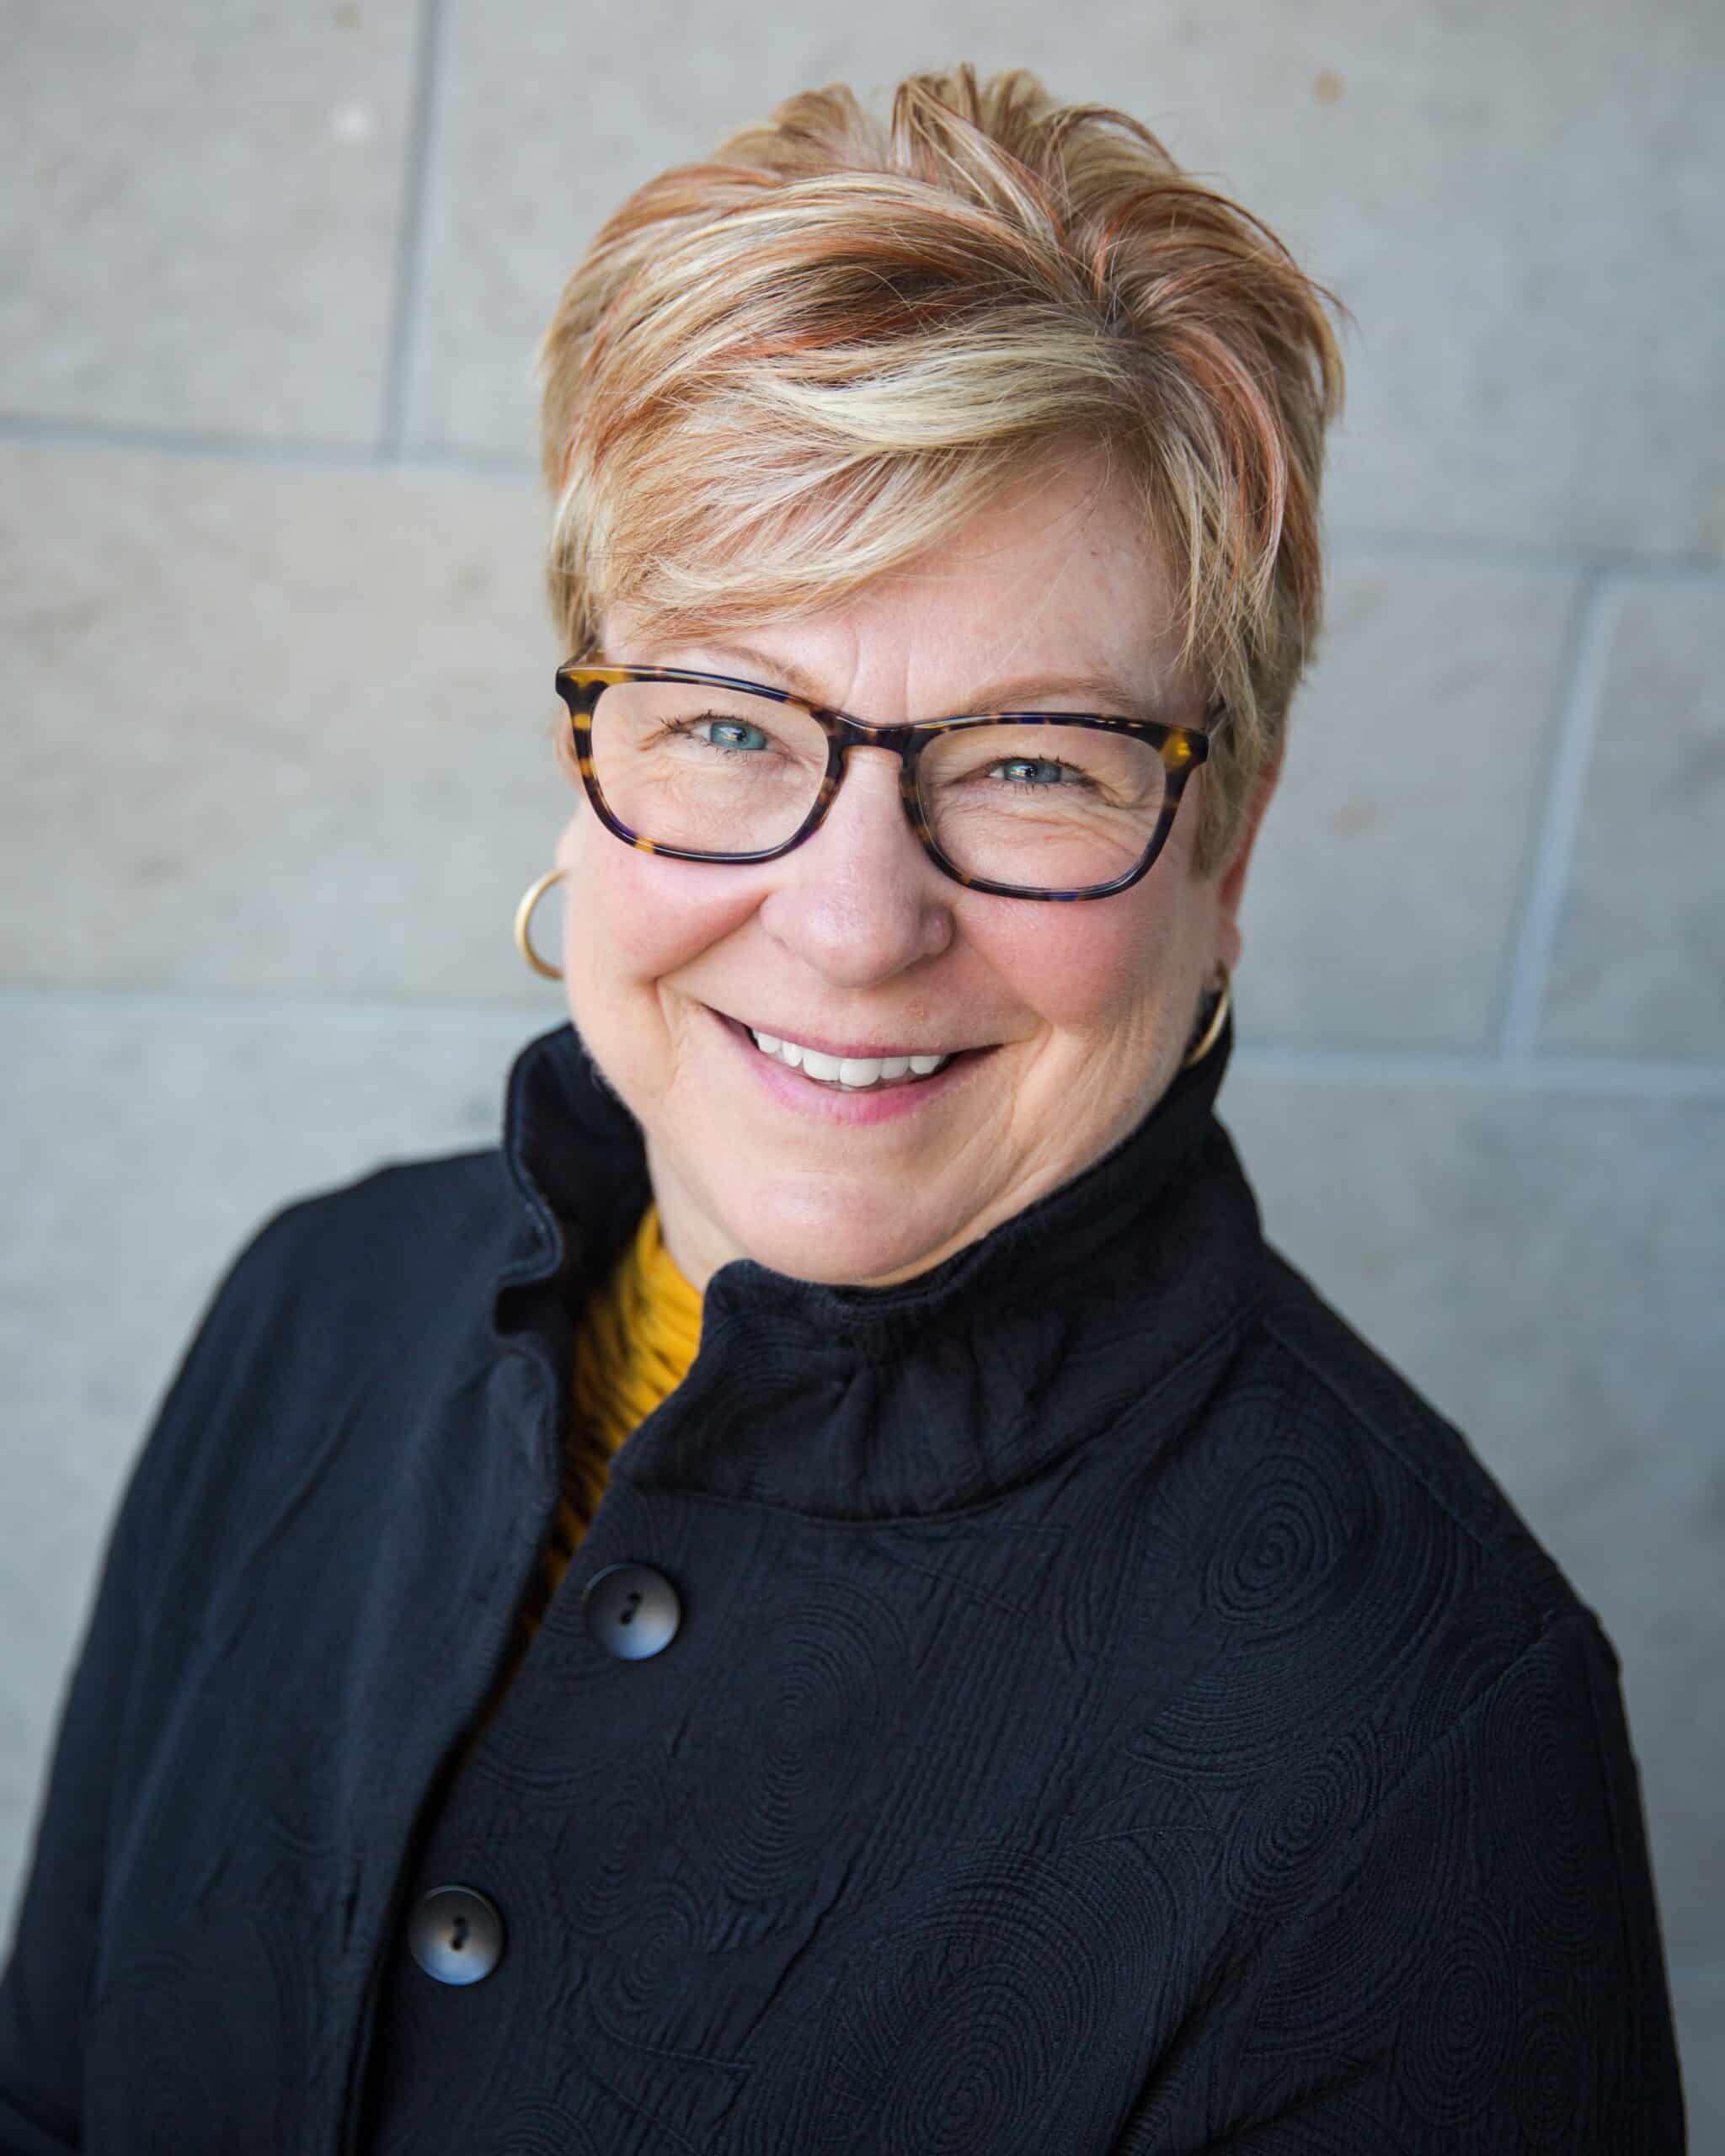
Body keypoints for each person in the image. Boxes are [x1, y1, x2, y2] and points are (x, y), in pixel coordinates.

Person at [0, 64, 1685, 2154]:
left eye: (1035, 760)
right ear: (585, 752)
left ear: (1225, 851)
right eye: (726, 719)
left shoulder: (1429, 1732)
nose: (854, 918)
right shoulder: (314, 1307)